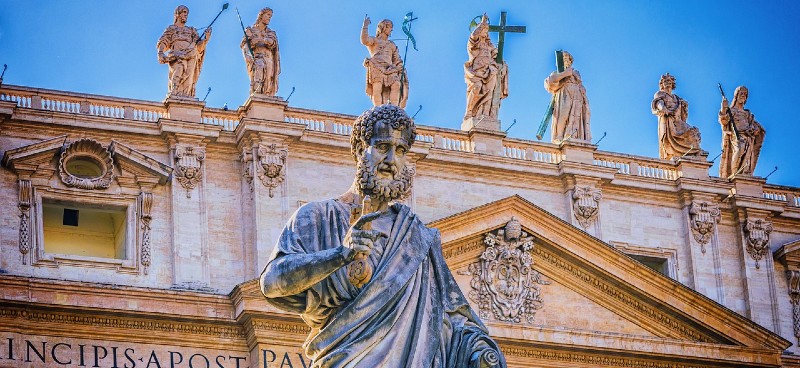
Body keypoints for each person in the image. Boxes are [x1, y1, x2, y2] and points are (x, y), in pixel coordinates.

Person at [260, 104, 505, 368]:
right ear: (358, 150)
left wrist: (478, 350)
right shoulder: (319, 216)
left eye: (400, 151)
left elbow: (449, 317)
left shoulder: (417, 237)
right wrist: (339, 256)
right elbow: (272, 284)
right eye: (382, 147)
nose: (391, 160)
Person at [157, 5, 211, 99]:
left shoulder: (191, 30)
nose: (186, 15)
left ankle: (187, 98)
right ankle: (174, 94)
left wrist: (206, 39)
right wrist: (160, 52)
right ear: (178, 14)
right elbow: (164, 41)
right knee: (179, 69)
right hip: (176, 55)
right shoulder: (172, 28)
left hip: (191, 55)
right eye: (184, 12)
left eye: (187, 13)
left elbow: (198, 47)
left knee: (189, 79)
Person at [464, 14, 508, 120]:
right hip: (477, 72)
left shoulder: (490, 46)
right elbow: (474, 35)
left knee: (489, 92)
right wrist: (482, 23)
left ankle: (485, 114)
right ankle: (469, 111)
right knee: (476, 87)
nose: (485, 31)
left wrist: (503, 65)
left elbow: (498, 57)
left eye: (486, 30)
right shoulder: (474, 43)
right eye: (484, 29)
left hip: (490, 71)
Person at [651, 73, 702, 160]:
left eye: (669, 81)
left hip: (678, 121)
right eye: (665, 81)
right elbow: (658, 103)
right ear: (662, 84)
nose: (667, 83)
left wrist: (684, 107)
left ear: (672, 84)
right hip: (668, 119)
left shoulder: (677, 98)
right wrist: (663, 109)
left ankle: (696, 151)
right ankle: (674, 154)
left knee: (692, 131)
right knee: (670, 138)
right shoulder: (659, 94)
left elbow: (683, 116)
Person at [361, 17, 408, 108]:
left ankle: (394, 108)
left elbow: (397, 59)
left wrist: (400, 67)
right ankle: (377, 109)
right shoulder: (375, 40)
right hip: (376, 65)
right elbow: (364, 40)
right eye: (389, 27)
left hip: (390, 68)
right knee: (377, 88)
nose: (391, 30)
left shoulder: (392, 45)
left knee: (396, 84)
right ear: (383, 27)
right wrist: (365, 26)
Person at [544, 51, 590, 143]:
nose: (566, 62)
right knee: (563, 114)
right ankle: (559, 136)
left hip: (577, 95)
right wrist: (564, 74)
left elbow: (580, 84)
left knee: (576, 116)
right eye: (563, 60)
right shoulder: (556, 73)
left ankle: (574, 136)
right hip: (564, 93)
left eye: (567, 59)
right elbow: (549, 83)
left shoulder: (576, 72)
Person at [719, 86, 765, 178]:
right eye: (741, 93)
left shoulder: (747, 113)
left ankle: (743, 174)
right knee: (740, 149)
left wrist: (754, 129)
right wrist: (724, 107)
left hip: (748, 137)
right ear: (736, 95)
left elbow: (755, 126)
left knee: (746, 157)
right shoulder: (731, 111)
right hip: (735, 137)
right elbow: (724, 121)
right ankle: (734, 174)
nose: (743, 96)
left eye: (745, 94)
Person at [242, 7, 280, 96]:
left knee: (268, 80)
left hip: (269, 59)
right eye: (268, 15)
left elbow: (272, 42)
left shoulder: (270, 32)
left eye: (270, 16)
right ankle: (257, 93)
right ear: (261, 15)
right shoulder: (251, 31)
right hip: (258, 56)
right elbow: (245, 45)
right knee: (259, 68)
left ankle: (266, 98)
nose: (269, 18)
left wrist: (259, 40)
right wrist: (247, 54)